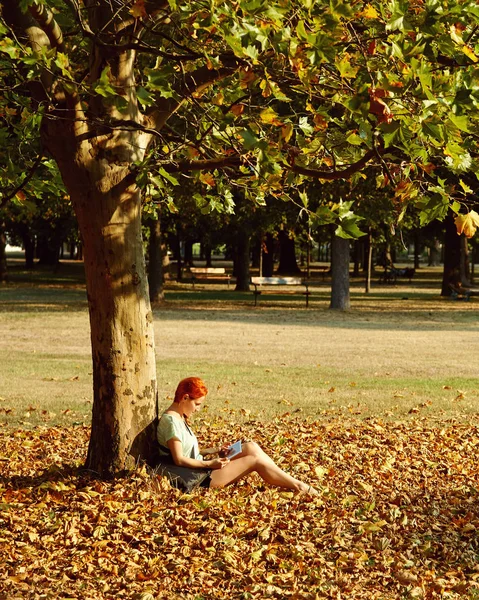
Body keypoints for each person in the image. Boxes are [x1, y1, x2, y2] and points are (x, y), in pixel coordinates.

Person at [156, 376, 318, 495]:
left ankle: (289, 479)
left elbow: (188, 451)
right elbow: (179, 459)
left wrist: (215, 450)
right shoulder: (171, 422)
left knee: (250, 446)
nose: (198, 409)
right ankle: (299, 486)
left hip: (201, 466)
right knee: (255, 460)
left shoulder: (179, 417)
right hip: (198, 477)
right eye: (197, 404)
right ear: (185, 398)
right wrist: (210, 464)